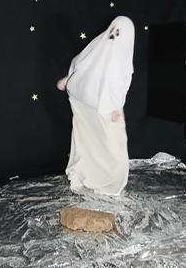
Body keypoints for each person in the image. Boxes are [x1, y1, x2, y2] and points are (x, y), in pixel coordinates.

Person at [57, 16, 135, 196]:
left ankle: (93, 179)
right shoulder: (109, 50)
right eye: (114, 31)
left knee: (94, 143)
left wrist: (68, 81)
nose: (115, 36)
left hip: (93, 104)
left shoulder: (108, 48)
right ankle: (105, 183)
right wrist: (113, 109)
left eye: (119, 32)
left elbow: (82, 64)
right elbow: (86, 66)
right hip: (96, 107)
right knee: (105, 145)